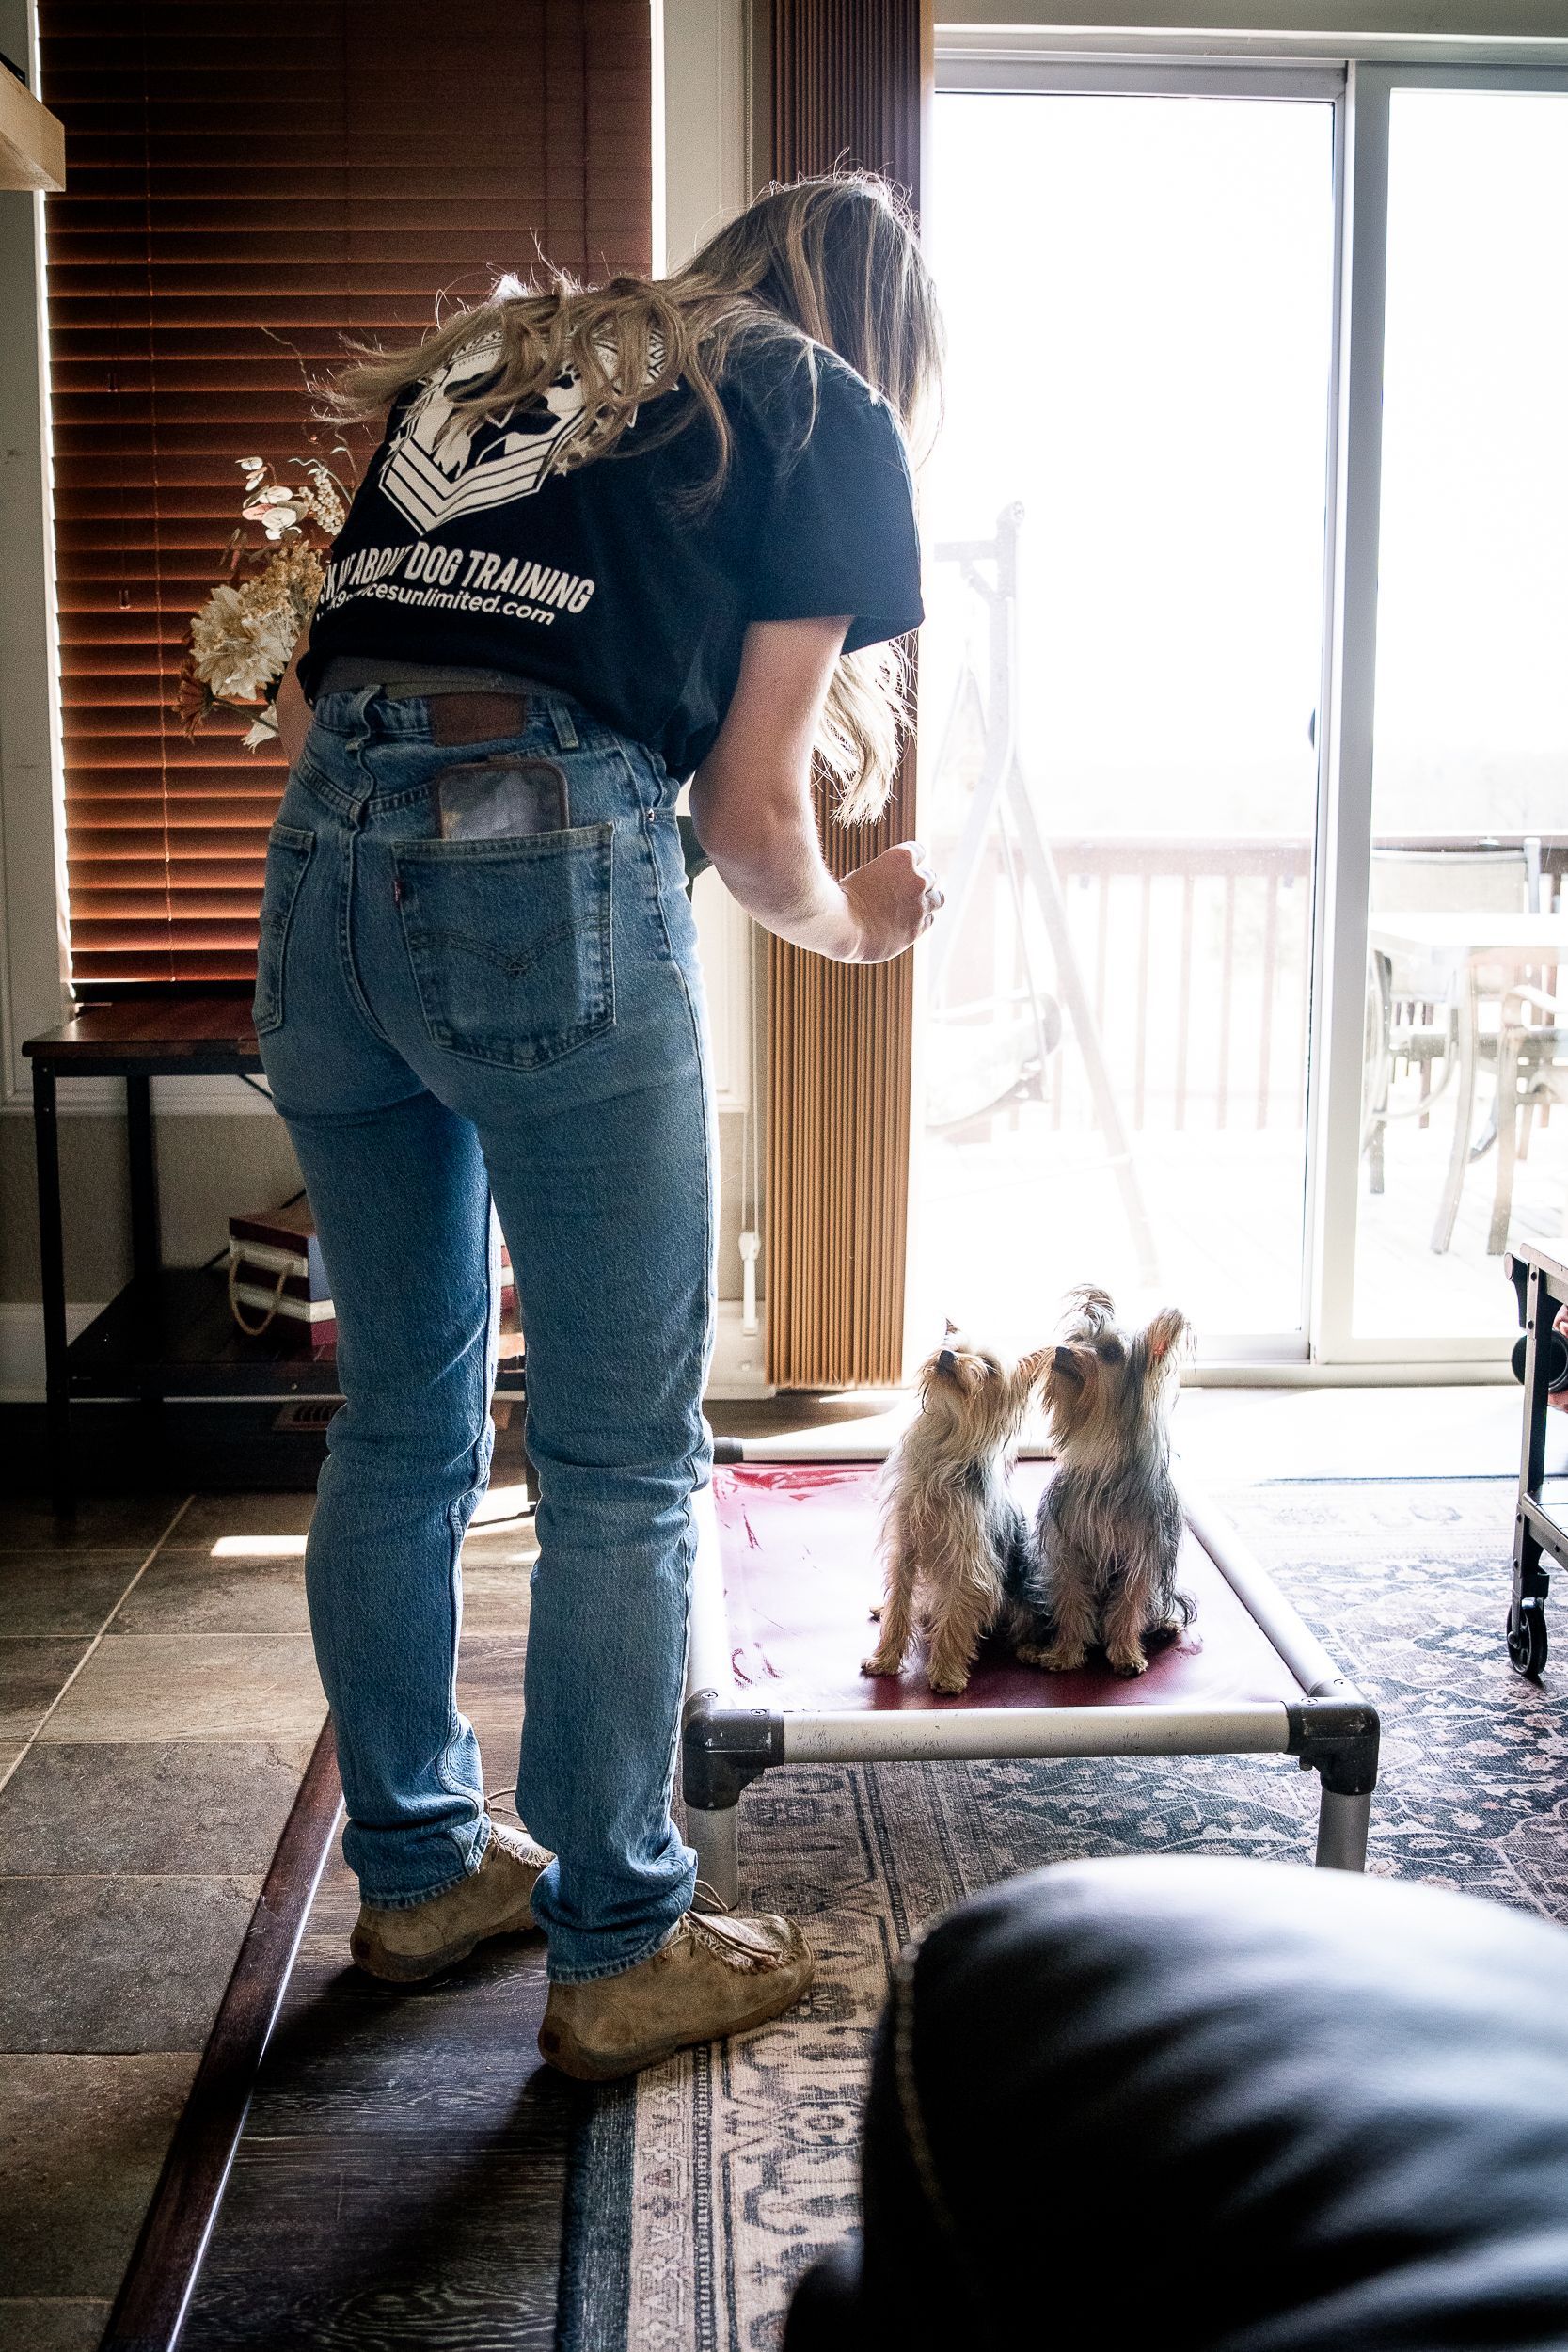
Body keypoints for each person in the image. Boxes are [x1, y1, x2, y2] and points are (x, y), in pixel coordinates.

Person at [258, 173, 944, 2080]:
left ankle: (413, 1876)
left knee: (401, 1413)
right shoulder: (818, 403)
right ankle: (619, 1940)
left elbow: (358, 666)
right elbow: (748, 815)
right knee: (624, 1455)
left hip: (320, 870)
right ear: (873, 326)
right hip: (537, 861)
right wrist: (859, 926)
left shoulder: (507, 361)